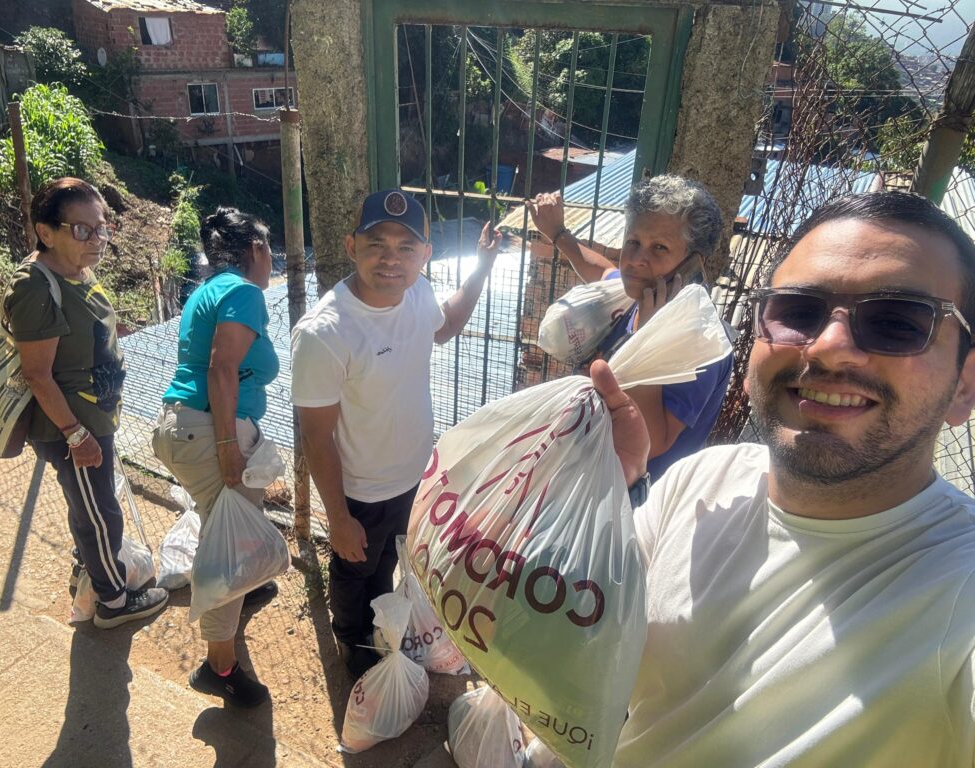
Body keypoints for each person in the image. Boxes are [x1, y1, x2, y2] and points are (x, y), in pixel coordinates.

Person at [596, 190, 975, 766]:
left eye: (897, 322)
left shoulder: (957, 585)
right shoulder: (700, 482)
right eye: (797, 312)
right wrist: (591, 488)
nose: (828, 348)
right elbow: (583, 634)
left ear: (965, 385)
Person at [290, 189, 501, 677]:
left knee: (388, 565)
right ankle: (353, 647)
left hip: (414, 475)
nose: (391, 259)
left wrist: (483, 267)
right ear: (351, 247)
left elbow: (444, 325)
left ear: (425, 255)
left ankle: (381, 630)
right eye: (377, 243)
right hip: (361, 489)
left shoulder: (418, 292)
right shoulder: (326, 332)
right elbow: (316, 438)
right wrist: (338, 517)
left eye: (407, 247)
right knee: (354, 568)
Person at [4, 177, 169, 628]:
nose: (97, 240)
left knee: (92, 507)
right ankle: (114, 601)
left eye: (101, 228)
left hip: (93, 417)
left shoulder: (76, 270)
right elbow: (38, 374)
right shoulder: (36, 289)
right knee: (100, 515)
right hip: (72, 426)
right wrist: (76, 435)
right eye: (82, 230)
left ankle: (91, 568)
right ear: (46, 232)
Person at [525, 176, 734, 483]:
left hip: (634, 510)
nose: (636, 261)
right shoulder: (637, 296)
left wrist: (648, 338)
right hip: (586, 478)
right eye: (633, 242)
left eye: (659, 248)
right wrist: (557, 233)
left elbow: (650, 443)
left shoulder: (702, 345)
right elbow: (602, 270)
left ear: (691, 265)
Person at [152, 206, 279, 708]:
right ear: (254, 251)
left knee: (223, 528)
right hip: (210, 432)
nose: (272, 259)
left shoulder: (207, 290)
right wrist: (228, 445)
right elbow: (221, 368)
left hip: (183, 424)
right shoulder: (243, 292)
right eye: (270, 249)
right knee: (231, 547)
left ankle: (241, 592)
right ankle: (219, 667)